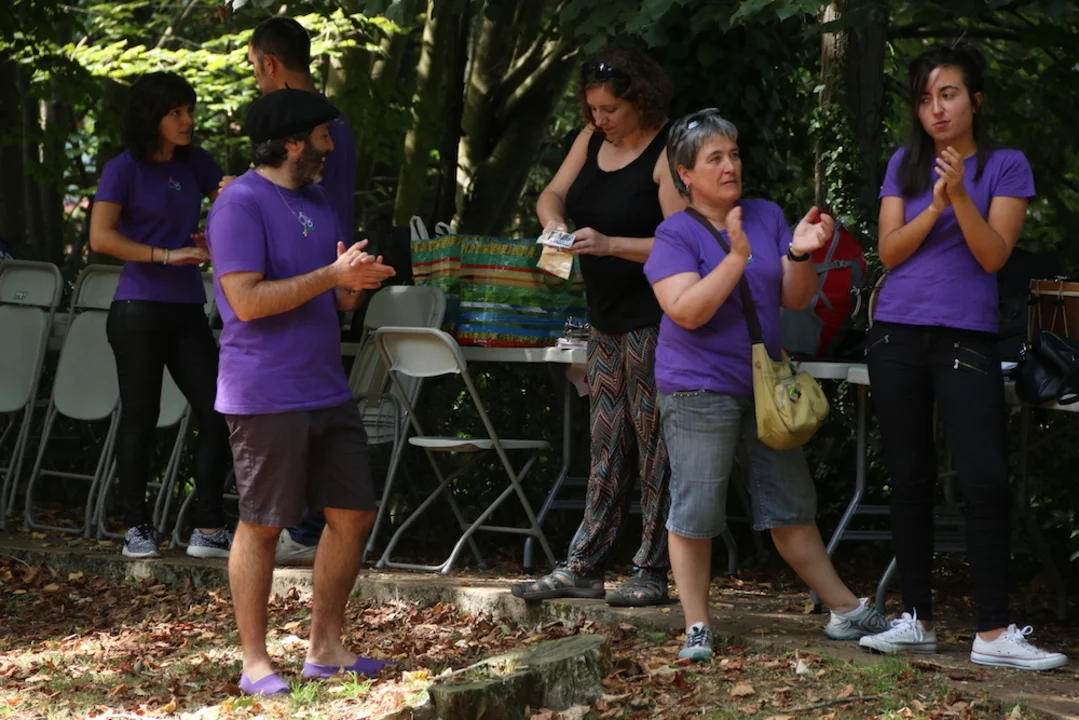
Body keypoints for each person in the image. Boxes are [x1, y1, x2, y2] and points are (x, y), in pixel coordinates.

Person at [644, 109, 890, 660]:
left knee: (790, 503)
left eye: (733, 154)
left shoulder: (765, 214)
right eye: (715, 158)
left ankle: (844, 610)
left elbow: (795, 298)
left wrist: (799, 252)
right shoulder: (674, 233)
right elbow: (686, 311)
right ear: (685, 174)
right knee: (697, 510)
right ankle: (697, 626)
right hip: (696, 386)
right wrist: (736, 257)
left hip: (766, 386)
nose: (730, 165)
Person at [858, 44, 1067, 671]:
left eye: (948, 94)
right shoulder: (905, 164)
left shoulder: (1006, 165)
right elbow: (889, 252)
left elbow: (993, 255)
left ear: (975, 100)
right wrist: (936, 204)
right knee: (909, 478)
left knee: (984, 479)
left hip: (965, 338)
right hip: (895, 334)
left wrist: (961, 197)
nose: (936, 109)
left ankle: (993, 631)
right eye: (925, 98)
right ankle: (915, 619)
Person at [205, 88, 396, 694]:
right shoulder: (238, 204)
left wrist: (353, 286)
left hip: (325, 386)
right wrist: (330, 276)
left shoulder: (318, 200)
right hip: (265, 391)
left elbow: (334, 298)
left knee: (354, 513)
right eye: (322, 136)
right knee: (262, 524)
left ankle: (326, 649)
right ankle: (254, 663)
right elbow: (246, 302)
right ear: (292, 142)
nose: (331, 147)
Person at [510, 46, 682, 607]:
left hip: (656, 319)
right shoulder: (589, 139)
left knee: (655, 444)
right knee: (606, 441)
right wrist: (554, 224)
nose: (600, 118)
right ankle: (584, 564)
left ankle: (652, 567)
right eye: (592, 109)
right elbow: (552, 193)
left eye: (611, 109)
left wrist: (610, 245)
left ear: (641, 100)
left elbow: (683, 242)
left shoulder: (667, 149)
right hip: (604, 318)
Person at [89, 71, 232, 560]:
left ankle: (208, 528)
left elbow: (233, 202)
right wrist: (166, 256)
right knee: (141, 417)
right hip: (138, 309)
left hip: (188, 309)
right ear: (152, 117)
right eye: (176, 112)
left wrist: (216, 239)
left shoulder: (196, 162)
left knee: (220, 411)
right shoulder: (123, 168)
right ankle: (137, 528)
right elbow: (101, 237)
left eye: (189, 110)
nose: (187, 120)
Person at [247, 15, 358, 566]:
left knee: (313, 423)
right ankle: (299, 524)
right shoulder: (333, 120)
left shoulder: (316, 127)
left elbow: (301, 201)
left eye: (254, 67)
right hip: (316, 287)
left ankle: (306, 524)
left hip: (316, 285)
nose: (328, 147)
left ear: (269, 62)